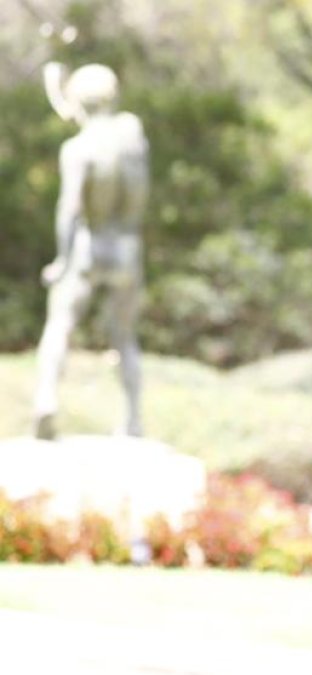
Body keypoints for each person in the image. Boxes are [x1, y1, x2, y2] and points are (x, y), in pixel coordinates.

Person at [33, 62, 149, 440]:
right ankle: (133, 419)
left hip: (89, 245)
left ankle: (46, 400)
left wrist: (61, 260)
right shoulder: (133, 139)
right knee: (125, 336)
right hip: (127, 245)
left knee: (60, 325)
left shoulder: (78, 148)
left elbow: (69, 208)